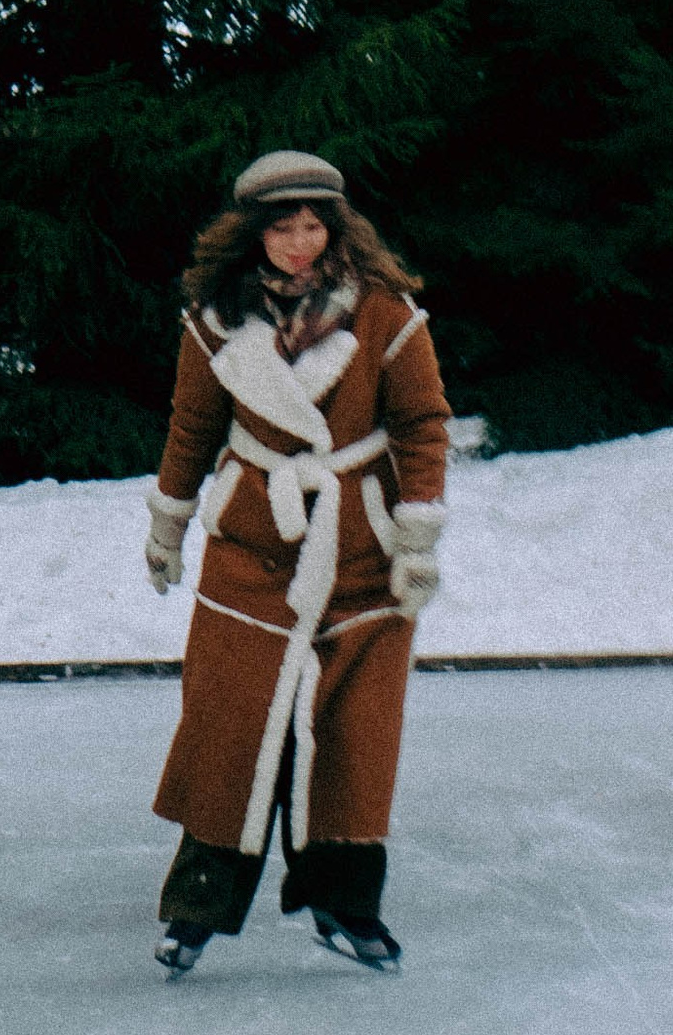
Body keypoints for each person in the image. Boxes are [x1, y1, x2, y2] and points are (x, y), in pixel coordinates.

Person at [144, 150, 450, 976]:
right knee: (229, 727)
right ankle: (197, 910)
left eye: (314, 226)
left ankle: (345, 907)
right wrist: (169, 524)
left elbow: (422, 426)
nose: (300, 243)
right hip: (252, 541)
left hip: (360, 546)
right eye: (283, 228)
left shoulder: (385, 314)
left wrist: (417, 537)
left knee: (354, 737)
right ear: (254, 234)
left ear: (337, 229)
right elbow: (191, 428)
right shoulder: (215, 322)